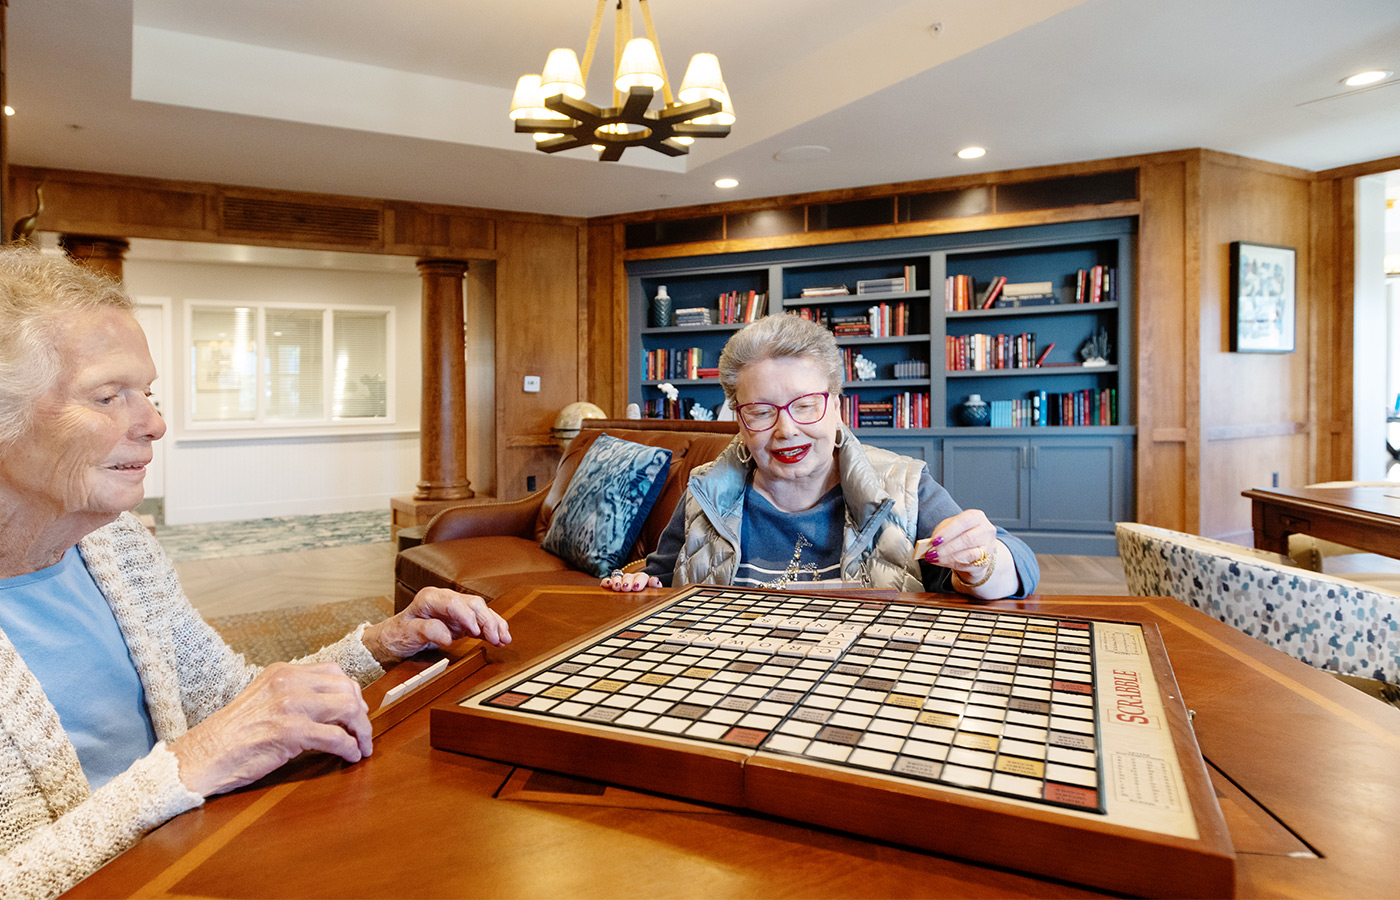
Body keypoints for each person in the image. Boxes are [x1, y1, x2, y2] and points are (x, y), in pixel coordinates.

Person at [0, 246, 511, 900]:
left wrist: (381, 646)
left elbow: (226, 700)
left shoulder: (119, 547)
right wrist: (183, 769)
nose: (153, 423)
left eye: (147, 394)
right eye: (109, 396)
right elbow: (202, 752)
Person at [604, 313, 1039, 597]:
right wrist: (641, 586)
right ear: (738, 417)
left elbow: (1019, 568)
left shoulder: (901, 485)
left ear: (836, 405)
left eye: (806, 405)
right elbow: (660, 580)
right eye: (760, 411)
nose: (786, 429)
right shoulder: (705, 491)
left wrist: (982, 563)